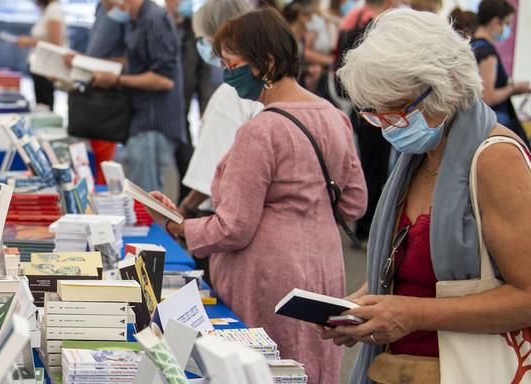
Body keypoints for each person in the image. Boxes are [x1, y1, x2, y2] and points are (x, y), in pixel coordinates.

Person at [148, 9, 367, 384]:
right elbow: (354, 203)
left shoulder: (260, 131)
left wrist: (181, 227)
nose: (225, 71)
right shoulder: (334, 116)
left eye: (230, 62)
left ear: (264, 63)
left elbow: (234, 226)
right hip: (324, 264)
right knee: (312, 361)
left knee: (265, 365)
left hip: (268, 274)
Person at [325, 9, 531, 384]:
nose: (388, 126)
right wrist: (367, 303)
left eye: (399, 111)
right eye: (375, 115)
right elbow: (410, 264)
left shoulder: (495, 158)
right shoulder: (420, 154)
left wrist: (414, 314)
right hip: (398, 367)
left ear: (447, 86)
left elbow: (527, 296)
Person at [93, 0, 188, 196]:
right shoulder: (135, 21)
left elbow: (164, 80)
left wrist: (117, 80)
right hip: (140, 121)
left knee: (146, 202)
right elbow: (136, 59)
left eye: (108, 3)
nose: (108, 9)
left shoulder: (155, 20)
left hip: (154, 124)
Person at [179, 0, 257, 216]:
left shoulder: (233, 93)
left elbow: (212, 169)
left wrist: (184, 210)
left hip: (225, 212)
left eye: (202, 38)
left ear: (216, 38)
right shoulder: (263, 83)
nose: (201, 45)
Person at [336, 0, 405, 240]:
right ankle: (368, 227)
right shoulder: (377, 30)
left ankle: (366, 225)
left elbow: (341, 70)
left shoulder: (354, 22)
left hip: (363, 106)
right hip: (377, 107)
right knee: (374, 168)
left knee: (368, 165)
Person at [164, 0, 213, 200]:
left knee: (187, 162)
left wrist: (205, 106)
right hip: (158, 107)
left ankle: (185, 213)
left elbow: (204, 71)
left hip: (182, 108)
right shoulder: (159, 23)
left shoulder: (194, 29)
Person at [82, 1, 128, 185]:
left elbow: (129, 59)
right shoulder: (101, 8)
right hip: (93, 92)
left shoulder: (124, 12)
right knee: (92, 155)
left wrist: (91, 63)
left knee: (104, 157)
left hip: (110, 96)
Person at [472, 0, 529, 143]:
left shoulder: (472, 46)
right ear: (495, 22)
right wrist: (513, 88)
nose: (508, 30)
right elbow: (488, 97)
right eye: (507, 24)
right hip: (494, 124)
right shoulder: (487, 52)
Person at [13, 0, 67, 110]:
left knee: (45, 106)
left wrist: (29, 41)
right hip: (39, 67)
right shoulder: (47, 10)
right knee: (41, 105)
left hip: (47, 68)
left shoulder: (54, 10)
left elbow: (55, 42)